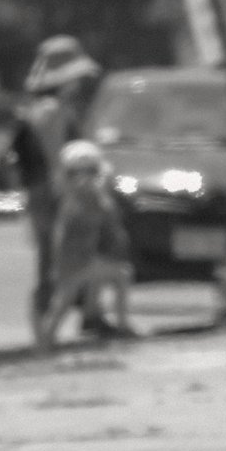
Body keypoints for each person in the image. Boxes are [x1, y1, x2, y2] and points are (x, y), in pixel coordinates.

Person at [14, 34, 103, 337]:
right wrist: (65, 191)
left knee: (58, 258)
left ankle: (64, 324)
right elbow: (56, 158)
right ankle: (45, 331)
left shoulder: (43, 107)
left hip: (42, 191)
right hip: (50, 193)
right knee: (55, 261)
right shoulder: (52, 110)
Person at [38, 140, 133, 347]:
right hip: (78, 261)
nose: (85, 176)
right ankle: (121, 326)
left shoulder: (71, 195)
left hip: (79, 260)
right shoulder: (83, 196)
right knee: (120, 275)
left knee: (64, 300)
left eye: (90, 171)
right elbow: (104, 216)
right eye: (78, 172)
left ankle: (51, 339)